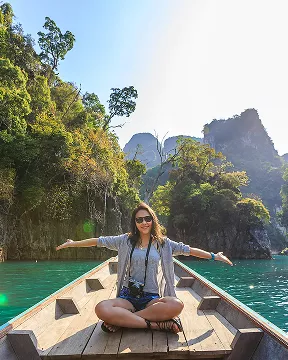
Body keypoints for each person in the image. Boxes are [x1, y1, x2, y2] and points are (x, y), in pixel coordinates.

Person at [56, 202, 233, 334]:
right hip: (128, 297)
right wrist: (73, 244)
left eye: (147, 218)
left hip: (151, 298)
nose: (144, 222)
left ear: (152, 220)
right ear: (135, 222)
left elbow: (189, 250)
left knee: (176, 304)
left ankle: (125, 320)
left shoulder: (164, 244)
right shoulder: (124, 240)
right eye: (139, 219)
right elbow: (98, 241)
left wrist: (214, 256)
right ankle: (154, 324)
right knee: (101, 308)